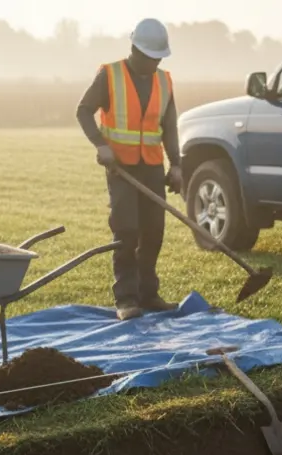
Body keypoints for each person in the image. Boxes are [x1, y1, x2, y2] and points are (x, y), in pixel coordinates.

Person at [75, 18, 184, 321]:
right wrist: (101, 145)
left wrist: (176, 164)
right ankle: (126, 298)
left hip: (152, 166)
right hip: (121, 168)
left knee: (154, 232)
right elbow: (83, 111)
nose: (155, 63)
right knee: (126, 231)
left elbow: (169, 126)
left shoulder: (164, 81)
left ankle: (148, 294)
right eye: (151, 57)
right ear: (135, 50)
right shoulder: (110, 75)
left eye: (159, 58)